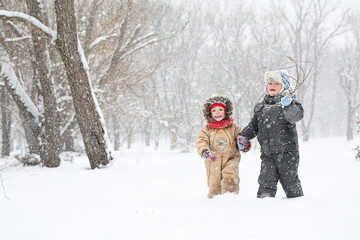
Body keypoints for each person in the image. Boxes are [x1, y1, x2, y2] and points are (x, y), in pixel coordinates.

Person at [237, 70, 304, 198]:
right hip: (267, 154)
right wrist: (244, 136)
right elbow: (254, 126)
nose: (272, 85)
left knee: (290, 182)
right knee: (265, 182)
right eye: (270, 83)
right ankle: (264, 207)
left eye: (277, 83)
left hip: (287, 153)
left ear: (284, 87)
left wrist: (288, 105)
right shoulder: (260, 107)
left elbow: (295, 117)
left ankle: (297, 206)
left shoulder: (290, 104)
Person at [196, 94, 250, 199]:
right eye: (214, 110)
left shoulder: (234, 128)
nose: (217, 112)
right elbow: (201, 141)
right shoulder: (207, 129)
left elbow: (242, 139)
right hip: (213, 160)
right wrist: (204, 151)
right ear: (209, 113)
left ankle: (230, 197)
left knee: (230, 176)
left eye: (220, 109)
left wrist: (244, 144)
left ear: (226, 111)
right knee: (214, 182)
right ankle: (214, 200)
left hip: (231, 158)